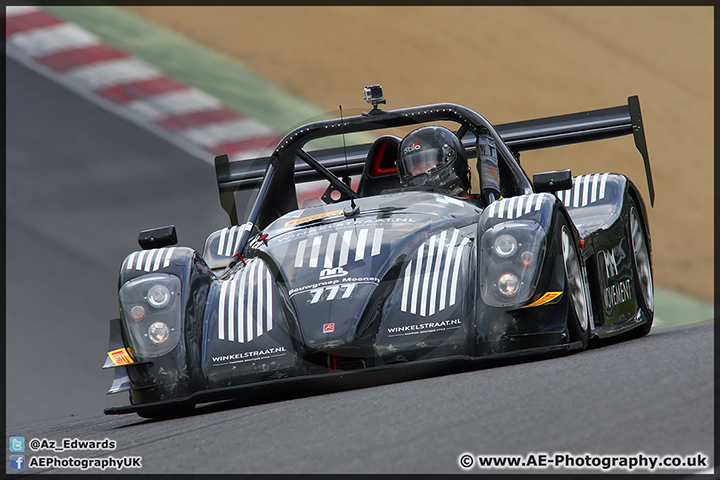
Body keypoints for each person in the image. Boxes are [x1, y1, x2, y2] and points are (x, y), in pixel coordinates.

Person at [397, 125, 501, 204]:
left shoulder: (478, 208)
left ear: (450, 160)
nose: (416, 172)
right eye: (412, 167)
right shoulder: (399, 210)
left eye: (426, 164)